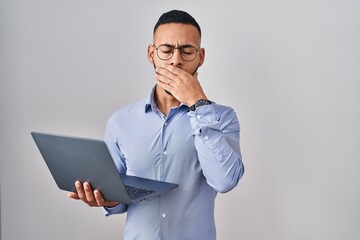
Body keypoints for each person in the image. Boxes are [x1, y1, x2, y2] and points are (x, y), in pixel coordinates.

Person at [68, 9, 244, 240]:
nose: (176, 60)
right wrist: (108, 200)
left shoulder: (222, 117)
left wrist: (198, 103)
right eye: (166, 50)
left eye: (187, 51)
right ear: (151, 54)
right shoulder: (120, 121)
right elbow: (118, 197)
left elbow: (225, 181)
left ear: (201, 57)